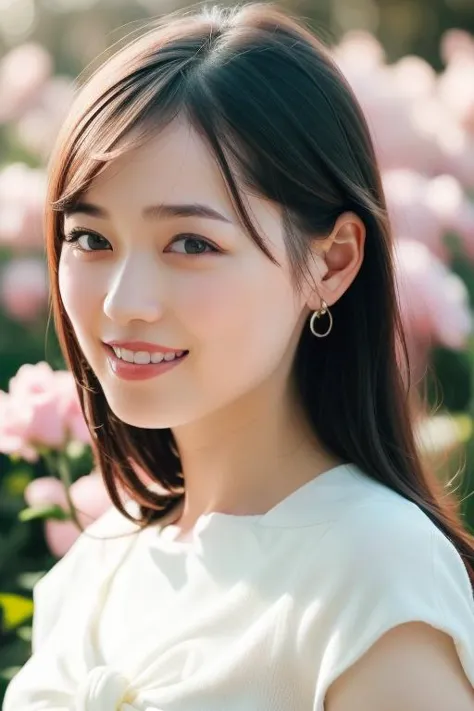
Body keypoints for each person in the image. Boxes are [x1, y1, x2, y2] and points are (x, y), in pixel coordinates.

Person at [4, 3, 474, 710]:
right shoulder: (91, 571)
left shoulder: (377, 572)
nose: (124, 302)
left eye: (191, 243)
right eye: (90, 239)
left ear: (332, 262)